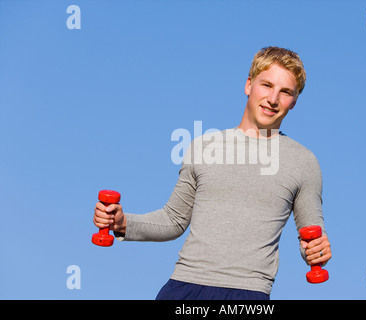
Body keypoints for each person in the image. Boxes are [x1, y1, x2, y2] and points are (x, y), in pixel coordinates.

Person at [93, 46, 332, 300]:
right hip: (183, 286)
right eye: (266, 85)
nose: (273, 99)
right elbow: (174, 220)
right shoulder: (203, 147)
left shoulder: (304, 162)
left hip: (248, 294)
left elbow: (313, 234)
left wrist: (318, 251)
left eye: (285, 92)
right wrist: (122, 223)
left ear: (294, 101)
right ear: (249, 85)